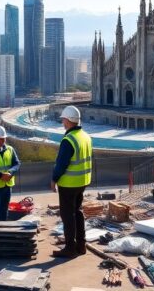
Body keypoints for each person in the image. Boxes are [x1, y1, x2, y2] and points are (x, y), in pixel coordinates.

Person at [50, 105, 93, 258]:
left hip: (69, 183)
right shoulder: (85, 136)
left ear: (68, 120)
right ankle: (81, 245)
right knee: (78, 212)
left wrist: (54, 179)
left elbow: (62, 163)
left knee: (67, 215)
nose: (63, 122)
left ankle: (70, 248)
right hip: (82, 181)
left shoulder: (69, 139)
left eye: (63, 120)